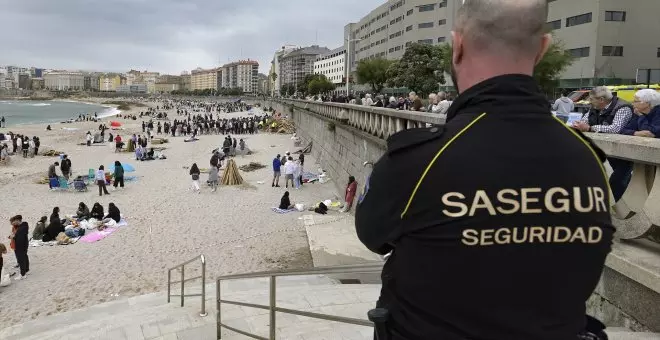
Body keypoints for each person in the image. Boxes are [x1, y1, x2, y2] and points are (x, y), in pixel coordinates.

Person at [355, 1, 614, 339]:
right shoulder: (589, 159)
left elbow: (373, 236)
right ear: (543, 48)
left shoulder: (419, 160)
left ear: (457, 45)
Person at [609, 89, 660, 201]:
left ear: (647, 103)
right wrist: (637, 132)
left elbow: (653, 132)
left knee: (621, 175)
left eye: (636, 101)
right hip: (641, 152)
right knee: (620, 171)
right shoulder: (638, 112)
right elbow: (624, 130)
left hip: (654, 155)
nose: (632, 103)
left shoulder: (657, 113)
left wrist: (641, 118)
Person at [9, 215, 29, 280]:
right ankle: (26, 270)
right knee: (24, 257)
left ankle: (23, 274)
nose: (13, 223)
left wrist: (13, 237)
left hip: (20, 246)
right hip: (23, 245)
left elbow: (20, 239)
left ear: (17, 220)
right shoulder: (23, 226)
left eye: (14, 221)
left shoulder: (21, 228)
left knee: (21, 260)